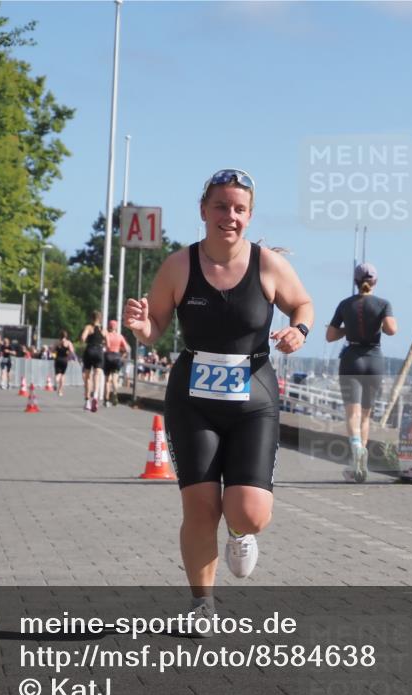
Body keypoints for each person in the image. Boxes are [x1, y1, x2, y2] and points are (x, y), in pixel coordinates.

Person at [123, 168, 312, 627]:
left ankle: (241, 532)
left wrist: (299, 331)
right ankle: (201, 605)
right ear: (204, 210)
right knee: (200, 508)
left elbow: (301, 304)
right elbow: (155, 329)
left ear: (250, 216)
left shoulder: (268, 265)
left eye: (239, 209)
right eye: (221, 206)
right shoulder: (179, 265)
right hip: (193, 401)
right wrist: (141, 326)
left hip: (254, 400)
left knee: (250, 513)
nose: (230, 216)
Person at [325, 262, 397, 481]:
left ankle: (356, 446)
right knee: (365, 416)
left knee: (353, 414)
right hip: (374, 361)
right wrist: (378, 324)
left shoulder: (345, 304)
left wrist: (349, 329)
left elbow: (330, 336)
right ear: (375, 282)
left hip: (352, 360)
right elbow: (392, 329)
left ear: (356, 281)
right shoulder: (383, 304)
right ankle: (360, 466)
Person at [80, 311, 106, 412]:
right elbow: (107, 342)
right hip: (99, 351)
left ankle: (87, 401)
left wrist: (83, 344)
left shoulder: (89, 327)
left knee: (87, 376)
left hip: (90, 350)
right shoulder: (103, 329)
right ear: (100, 319)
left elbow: (83, 338)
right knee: (97, 374)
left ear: (92, 318)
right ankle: (95, 395)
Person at [103, 320, 129, 407]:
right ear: (116, 327)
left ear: (109, 326)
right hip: (117, 357)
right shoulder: (120, 336)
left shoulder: (107, 335)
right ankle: (115, 394)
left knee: (107, 380)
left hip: (108, 356)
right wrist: (122, 356)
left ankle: (106, 400)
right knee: (115, 379)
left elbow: (107, 346)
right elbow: (126, 349)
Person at [53, 330, 76, 396]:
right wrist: (70, 357)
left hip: (57, 359)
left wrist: (55, 352)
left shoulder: (57, 342)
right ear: (66, 336)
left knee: (58, 374)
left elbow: (52, 350)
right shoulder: (68, 342)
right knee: (62, 375)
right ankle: (60, 391)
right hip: (64, 360)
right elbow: (72, 351)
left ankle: (56, 381)